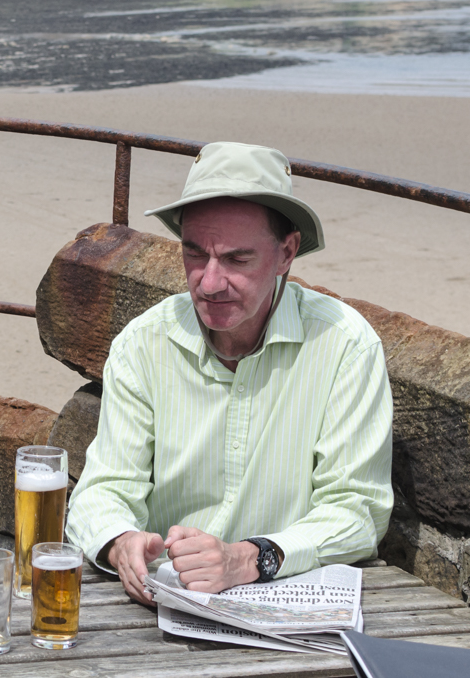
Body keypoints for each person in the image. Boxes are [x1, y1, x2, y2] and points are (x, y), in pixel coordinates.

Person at [66, 141, 393, 606]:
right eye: (195, 254)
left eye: (237, 259)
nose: (210, 282)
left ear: (287, 253)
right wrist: (120, 542)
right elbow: (105, 489)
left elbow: (358, 511)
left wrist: (248, 559)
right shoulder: (144, 343)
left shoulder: (345, 346)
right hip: (166, 600)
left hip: (284, 598)